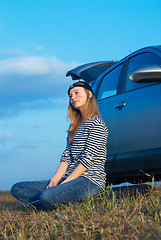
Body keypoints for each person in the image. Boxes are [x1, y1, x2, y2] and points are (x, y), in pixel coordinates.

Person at [11, 81, 108, 210]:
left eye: (77, 93)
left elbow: (87, 161)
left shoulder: (97, 124)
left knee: (47, 196)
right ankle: (54, 201)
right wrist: (55, 181)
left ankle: (43, 202)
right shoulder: (74, 126)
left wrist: (63, 185)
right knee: (18, 188)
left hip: (90, 180)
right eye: (70, 95)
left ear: (89, 94)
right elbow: (67, 157)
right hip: (69, 179)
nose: (73, 97)